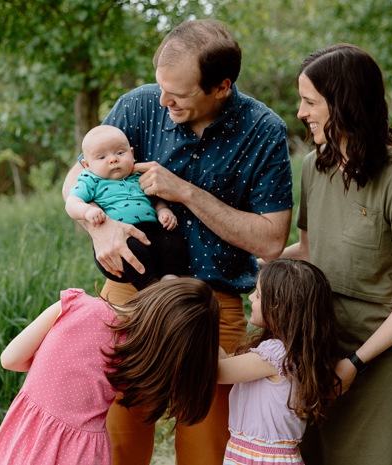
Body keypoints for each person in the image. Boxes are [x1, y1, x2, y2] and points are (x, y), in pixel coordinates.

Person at [62, 19, 293, 465]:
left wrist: (185, 192)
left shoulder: (264, 130)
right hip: (129, 297)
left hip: (214, 304)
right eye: (161, 87)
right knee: (115, 445)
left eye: (179, 94)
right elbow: (78, 177)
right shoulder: (139, 105)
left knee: (206, 450)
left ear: (222, 86)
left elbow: (271, 240)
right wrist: (100, 228)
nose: (164, 100)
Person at [273, 43, 392, 464]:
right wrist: (255, 265)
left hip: (384, 356)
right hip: (320, 344)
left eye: (310, 101)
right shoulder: (314, 166)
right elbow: (311, 251)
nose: (300, 112)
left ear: (344, 104)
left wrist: (355, 363)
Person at [0, 278, 220, 465]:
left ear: (153, 296)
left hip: (27, 432)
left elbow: (10, 359)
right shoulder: (139, 359)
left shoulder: (74, 305)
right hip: (82, 451)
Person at [217, 259, 341, 465]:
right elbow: (225, 362)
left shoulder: (276, 354)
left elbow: (219, 371)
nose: (250, 298)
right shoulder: (292, 352)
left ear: (278, 308)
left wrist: (203, 321)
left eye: (257, 295)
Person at [66, 125, 188, 290]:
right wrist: (88, 211)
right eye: (101, 157)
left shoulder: (138, 176)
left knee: (173, 239)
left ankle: (169, 277)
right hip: (120, 237)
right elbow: (72, 203)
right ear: (87, 165)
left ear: (132, 153)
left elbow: (154, 199)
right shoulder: (91, 180)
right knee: (132, 250)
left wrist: (163, 211)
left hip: (153, 231)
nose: (113, 159)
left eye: (120, 153)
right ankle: (149, 288)